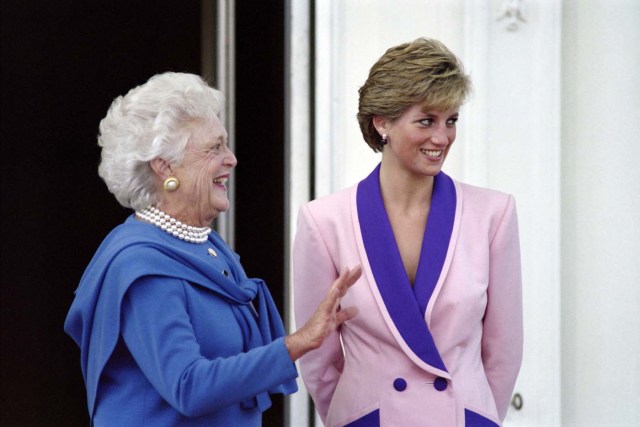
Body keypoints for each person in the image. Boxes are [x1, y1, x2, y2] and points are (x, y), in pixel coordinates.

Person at [64, 72, 361, 426]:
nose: (232, 159)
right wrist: (300, 342)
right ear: (165, 166)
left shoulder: (206, 246)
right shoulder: (141, 267)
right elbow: (189, 386)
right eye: (214, 147)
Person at [293, 38, 523, 426]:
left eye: (451, 120)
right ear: (382, 122)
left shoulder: (493, 214)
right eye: (426, 120)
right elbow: (319, 357)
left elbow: (503, 350)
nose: (442, 137)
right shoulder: (324, 222)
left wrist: (478, 416)